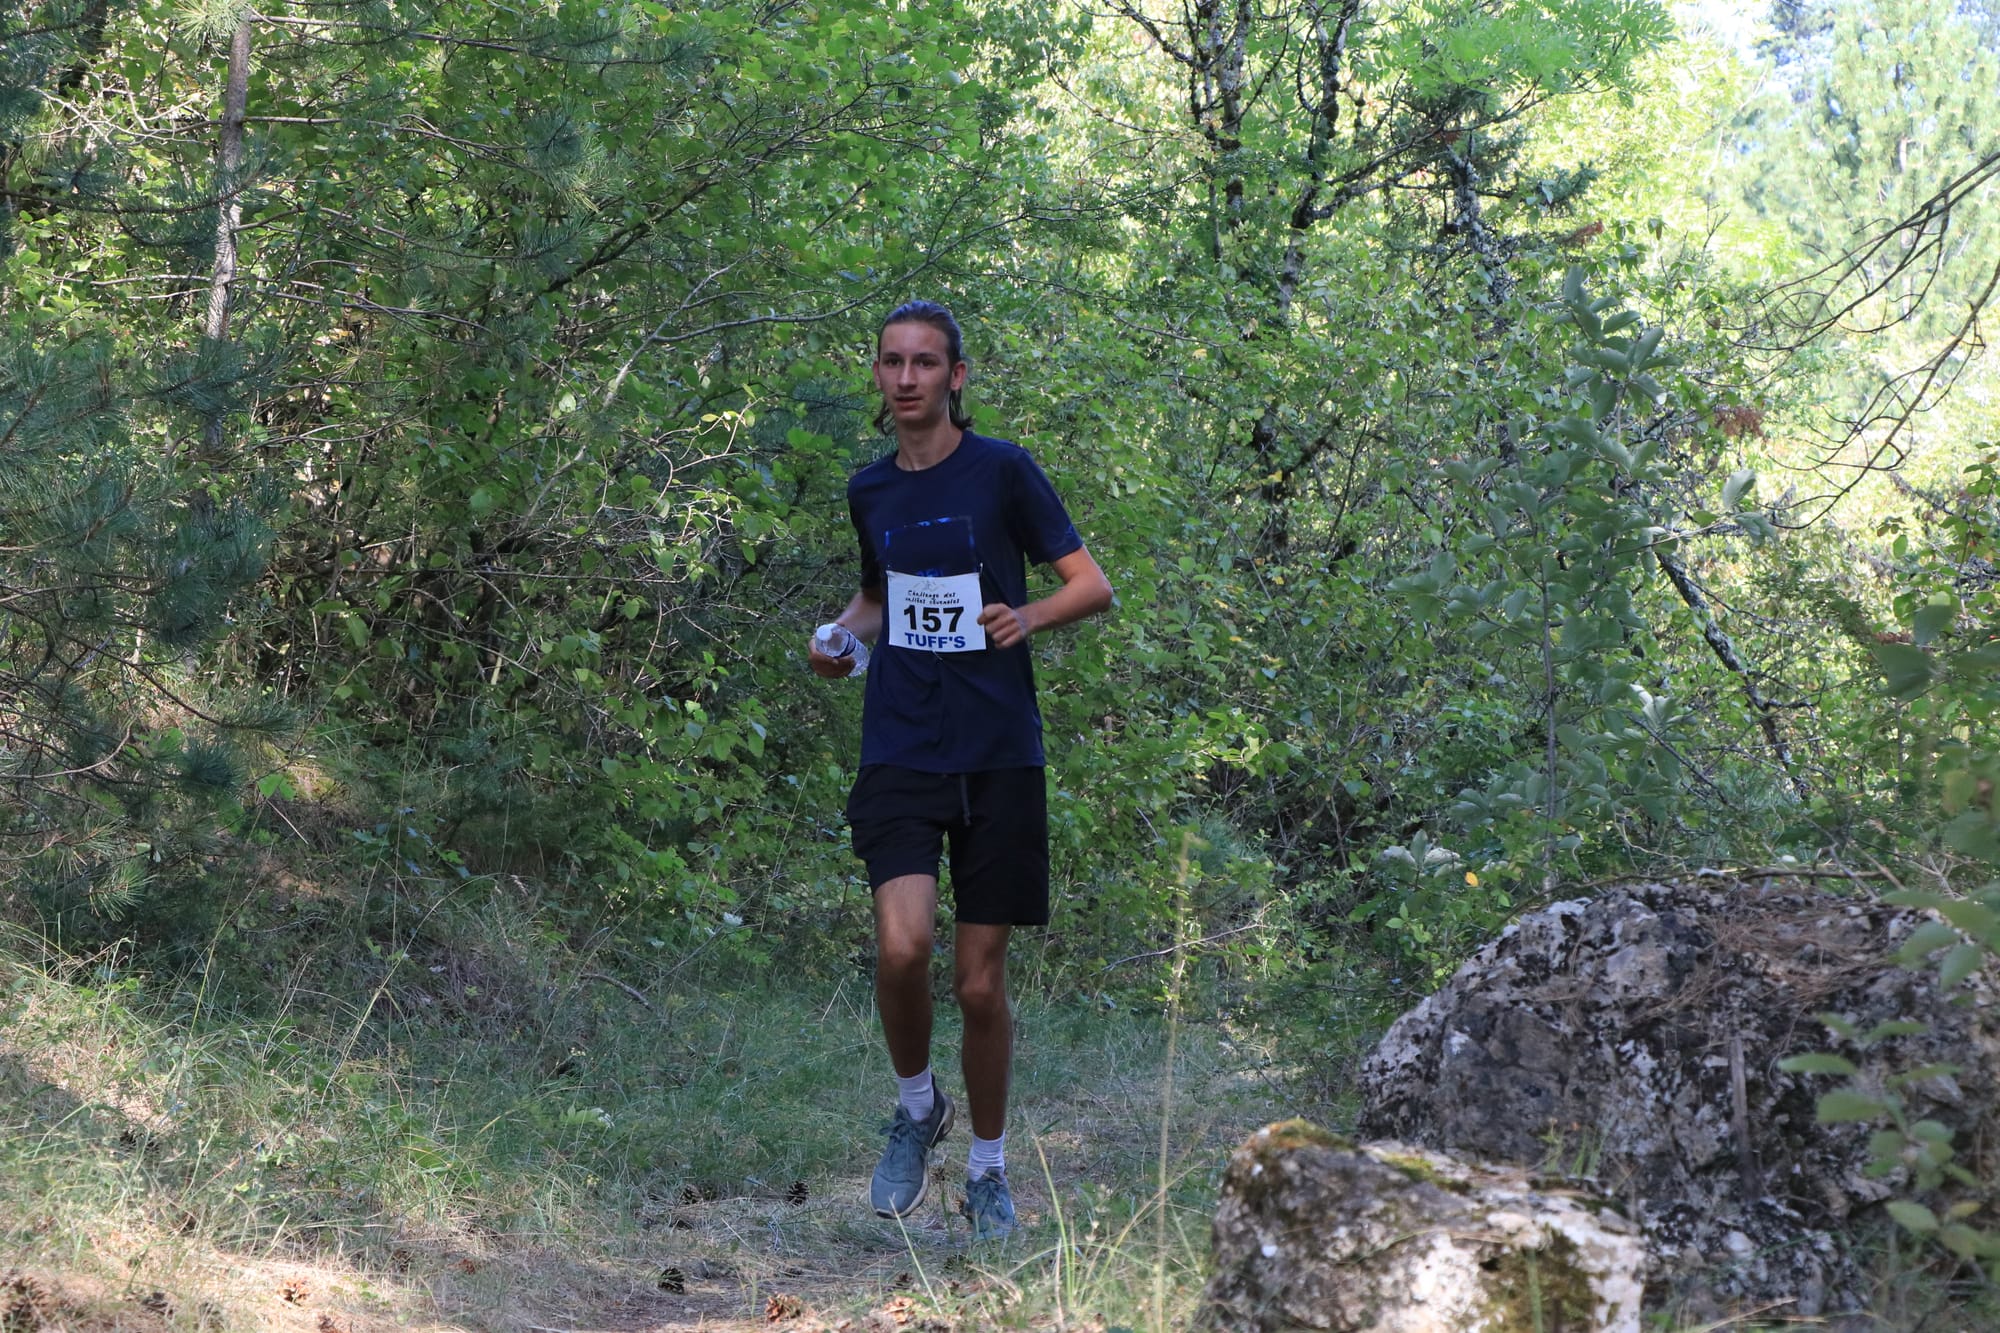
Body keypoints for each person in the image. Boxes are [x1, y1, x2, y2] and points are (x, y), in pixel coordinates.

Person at [809, 300, 1113, 1240]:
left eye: (926, 364)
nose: (907, 380)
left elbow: (1090, 584)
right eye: (892, 363)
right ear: (878, 375)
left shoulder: (1003, 471)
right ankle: (914, 1105)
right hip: (900, 741)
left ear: (957, 377)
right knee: (902, 948)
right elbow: (874, 598)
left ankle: (988, 1170)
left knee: (982, 986)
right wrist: (835, 638)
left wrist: (1028, 616)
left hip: (997, 753)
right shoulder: (871, 491)